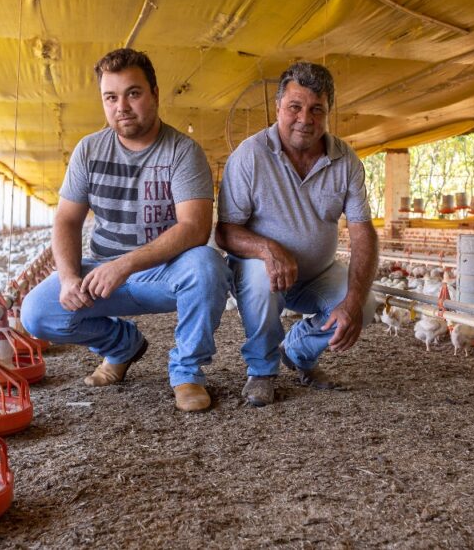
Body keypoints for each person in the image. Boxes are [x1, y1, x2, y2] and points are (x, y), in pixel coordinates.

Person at [21, 48, 230, 412]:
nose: (122, 107)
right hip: (102, 272)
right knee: (36, 312)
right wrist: (69, 278)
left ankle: (187, 372)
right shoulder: (89, 150)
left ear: (155, 95)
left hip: (165, 272)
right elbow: (66, 219)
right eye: (111, 97)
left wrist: (125, 264)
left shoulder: (182, 152)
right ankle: (121, 345)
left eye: (133, 93)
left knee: (207, 266)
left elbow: (195, 228)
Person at [215, 61, 378, 407]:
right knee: (261, 277)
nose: (305, 119)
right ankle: (261, 370)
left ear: (328, 112)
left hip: (318, 274)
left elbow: (363, 234)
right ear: (278, 107)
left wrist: (351, 301)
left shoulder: (345, 160)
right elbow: (225, 232)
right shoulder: (250, 155)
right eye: (295, 107)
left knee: (364, 303)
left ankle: (298, 351)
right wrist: (267, 249)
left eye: (317, 109)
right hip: (263, 271)